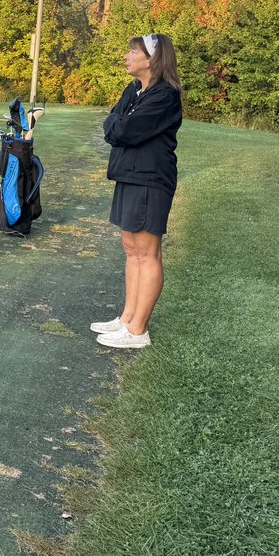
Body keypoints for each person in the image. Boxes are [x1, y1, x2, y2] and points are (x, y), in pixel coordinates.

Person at [93, 33, 182, 348]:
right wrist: (117, 126)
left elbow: (123, 130)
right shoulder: (134, 91)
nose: (127, 56)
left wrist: (118, 126)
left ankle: (138, 331)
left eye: (133, 52)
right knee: (132, 250)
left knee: (147, 253)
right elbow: (110, 126)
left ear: (152, 59)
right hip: (130, 176)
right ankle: (127, 318)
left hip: (150, 179)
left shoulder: (164, 96)